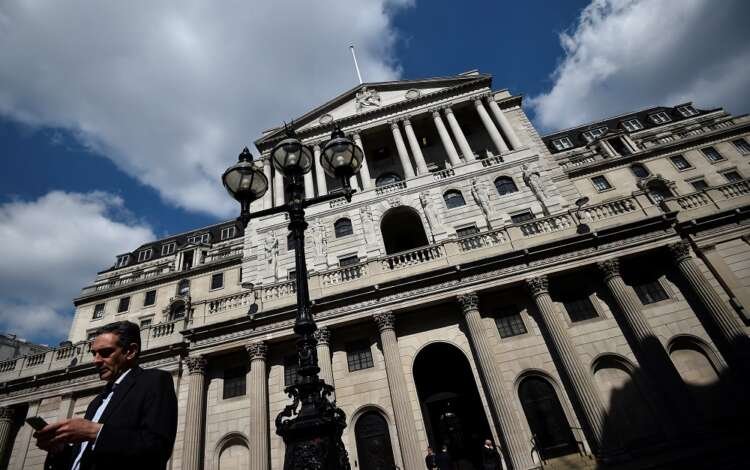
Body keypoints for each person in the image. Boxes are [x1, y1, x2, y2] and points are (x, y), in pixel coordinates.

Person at [35, 321, 178, 470]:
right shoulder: (96, 402)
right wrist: (59, 450)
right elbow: (85, 460)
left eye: (105, 353)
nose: (96, 360)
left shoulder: (154, 381)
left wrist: (94, 431)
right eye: (94, 353)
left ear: (130, 351)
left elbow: (156, 448)